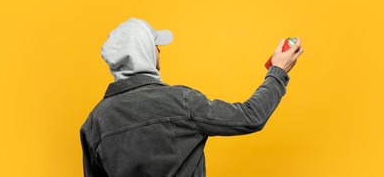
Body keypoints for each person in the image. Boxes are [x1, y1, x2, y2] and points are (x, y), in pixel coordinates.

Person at [80, 17, 304, 177]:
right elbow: (251, 116)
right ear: (145, 51)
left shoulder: (93, 123)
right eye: (155, 45)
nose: (159, 50)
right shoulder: (180, 102)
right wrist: (278, 70)